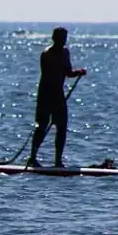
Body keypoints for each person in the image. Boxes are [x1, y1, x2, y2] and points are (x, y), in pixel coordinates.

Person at [26, 27, 87, 168]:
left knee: (62, 127)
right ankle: (32, 158)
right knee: (41, 126)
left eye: (64, 38)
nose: (63, 41)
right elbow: (50, 76)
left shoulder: (65, 52)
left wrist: (79, 72)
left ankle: (58, 161)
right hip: (46, 95)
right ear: (54, 38)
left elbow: (68, 72)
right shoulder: (47, 54)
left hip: (58, 95)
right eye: (60, 38)